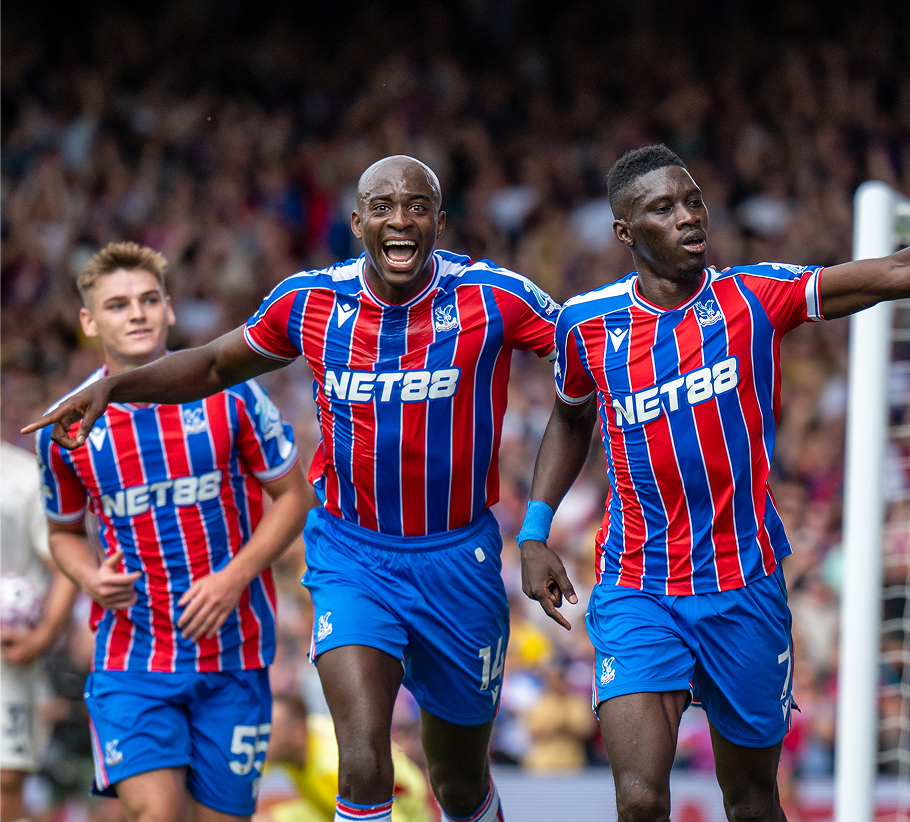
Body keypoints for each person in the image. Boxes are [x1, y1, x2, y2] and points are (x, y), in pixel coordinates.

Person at [516, 144, 910, 821]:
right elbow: (570, 418)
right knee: (641, 799)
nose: (689, 218)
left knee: (750, 801)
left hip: (744, 587)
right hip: (638, 585)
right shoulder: (586, 324)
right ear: (625, 233)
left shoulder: (751, 297)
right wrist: (535, 528)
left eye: (693, 202)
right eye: (665, 209)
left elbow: (897, 270)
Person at [28, 156, 561, 822]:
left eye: (418, 207)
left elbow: (588, 374)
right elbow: (218, 362)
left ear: (440, 222)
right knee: (363, 760)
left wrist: (538, 524)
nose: (401, 219)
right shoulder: (309, 301)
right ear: (357, 221)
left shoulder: (496, 295)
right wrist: (111, 388)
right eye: (384, 207)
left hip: (461, 559)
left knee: (457, 780)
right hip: (352, 556)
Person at [32, 242, 315, 821]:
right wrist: (89, 575)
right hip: (132, 656)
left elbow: (294, 497)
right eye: (116, 305)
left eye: (148, 300)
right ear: (89, 321)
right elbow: (62, 532)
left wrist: (233, 578)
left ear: (170, 310)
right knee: (156, 815)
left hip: (233, 655)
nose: (135, 313)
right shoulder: (65, 425)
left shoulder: (231, 393)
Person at [0, 386, 78, 822]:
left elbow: (62, 560)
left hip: (9, 655)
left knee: (5, 777)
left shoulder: (23, 476)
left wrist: (45, 635)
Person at [260, 693, 432, 822]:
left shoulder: (335, 767)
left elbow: (390, 817)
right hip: (331, 803)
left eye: (271, 733)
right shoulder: (298, 736)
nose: (262, 740)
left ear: (297, 733)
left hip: (402, 805)